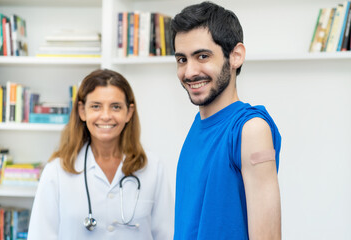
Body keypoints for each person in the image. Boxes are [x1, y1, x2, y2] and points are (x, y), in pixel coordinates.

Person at [171, 2, 282, 240]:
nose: (189, 72)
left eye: (202, 56)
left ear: (235, 56)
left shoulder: (250, 129)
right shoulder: (198, 125)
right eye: (182, 59)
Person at [28, 69, 174, 240]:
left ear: (129, 112)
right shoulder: (56, 172)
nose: (106, 116)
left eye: (116, 107)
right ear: (82, 111)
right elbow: (40, 235)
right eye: (96, 106)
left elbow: (167, 234)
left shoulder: (152, 168)